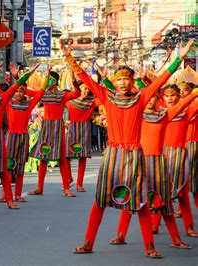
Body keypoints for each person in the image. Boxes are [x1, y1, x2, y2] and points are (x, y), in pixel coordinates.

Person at [62, 39, 194, 258]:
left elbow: (160, 81)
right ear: (115, 81)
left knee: (140, 201)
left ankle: (149, 246)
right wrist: (68, 56)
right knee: (100, 200)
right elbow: (85, 77)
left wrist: (178, 58)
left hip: (134, 154)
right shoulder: (106, 95)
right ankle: (88, 243)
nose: (123, 83)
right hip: (113, 153)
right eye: (119, 79)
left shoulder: (141, 98)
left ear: (132, 81)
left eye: (126, 79)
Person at [109, 90, 197, 249]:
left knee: (164, 200)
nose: (149, 101)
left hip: (160, 161)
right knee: (130, 199)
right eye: (147, 98)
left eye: (152, 98)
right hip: (139, 160)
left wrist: (193, 93)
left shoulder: (165, 115)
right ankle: (121, 234)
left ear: (158, 99)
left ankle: (177, 238)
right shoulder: (136, 115)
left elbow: (185, 103)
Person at [0, 62, 40, 209]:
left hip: (6, 136)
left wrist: (24, 75)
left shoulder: (5, 99)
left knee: (7, 168)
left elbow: (18, 89)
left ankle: (12, 197)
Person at [28, 70, 80, 197]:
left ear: (55, 81)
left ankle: (66, 188)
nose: (46, 81)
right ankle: (39, 187)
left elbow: (77, 93)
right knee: (43, 157)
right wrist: (18, 77)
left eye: (49, 78)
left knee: (61, 158)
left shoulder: (62, 95)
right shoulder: (43, 94)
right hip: (46, 126)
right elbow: (27, 91)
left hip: (58, 127)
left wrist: (74, 81)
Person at [162, 84, 198, 237]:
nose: (170, 98)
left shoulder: (187, 111)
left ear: (179, 97)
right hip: (161, 154)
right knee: (159, 193)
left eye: (173, 95)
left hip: (179, 155)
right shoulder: (159, 112)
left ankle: (189, 227)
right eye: (167, 96)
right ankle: (153, 225)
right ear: (162, 98)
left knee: (182, 193)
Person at [65, 77, 101, 192]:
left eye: (88, 89)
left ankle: (79, 184)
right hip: (72, 129)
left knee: (83, 157)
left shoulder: (92, 103)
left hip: (85, 129)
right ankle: (69, 177)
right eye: (84, 88)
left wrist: (95, 85)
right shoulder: (70, 101)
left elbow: (103, 96)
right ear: (78, 88)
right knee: (66, 156)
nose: (86, 91)